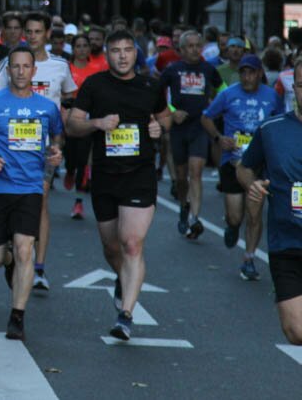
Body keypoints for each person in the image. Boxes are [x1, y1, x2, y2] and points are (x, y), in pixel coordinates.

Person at [65, 31, 170, 340]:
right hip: (106, 176)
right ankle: (122, 279)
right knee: (112, 247)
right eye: (115, 51)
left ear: (136, 54)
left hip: (139, 174)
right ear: (107, 54)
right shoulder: (95, 86)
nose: (122, 56)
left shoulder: (151, 85)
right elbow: (72, 124)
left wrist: (158, 127)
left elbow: (167, 118)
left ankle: (125, 315)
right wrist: (96, 123)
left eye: (127, 50)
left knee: (132, 243)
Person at [0, 47, 64, 341]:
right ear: (8, 70)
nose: (21, 71)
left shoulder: (47, 108)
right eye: (16, 67)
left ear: (34, 71)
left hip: (30, 188)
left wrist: (54, 156)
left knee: (26, 248)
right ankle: (8, 261)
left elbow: (56, 139)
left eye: (26, 66)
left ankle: (17, 317)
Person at [0, 12, 76, 293]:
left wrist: (60, 139)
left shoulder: (60, 66)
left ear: (48, 33)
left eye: (38, 31)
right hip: (11, 148)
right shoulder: (10, 63)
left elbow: (69, 101)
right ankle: (14, 249)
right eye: (28, 31)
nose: (32, 36)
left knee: (41, 201)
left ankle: (38, 267)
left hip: (43, 149)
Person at [238, 60, 302, 345]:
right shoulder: (272, 129)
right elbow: (245, 167)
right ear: (294, 88)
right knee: (295, 331)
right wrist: (251, 184)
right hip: (286, 242)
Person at [201, 54, 281, 279]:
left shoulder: (272, 96)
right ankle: (233, 227)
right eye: (243, 72)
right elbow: (206, 118)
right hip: (232, 161)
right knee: (236, 216)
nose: (247, 77)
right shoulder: (228, 94)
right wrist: (218, 138)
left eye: (251, 72)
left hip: (259, 164)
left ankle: (249, 258)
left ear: (259, 74)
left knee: (254, 213)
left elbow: (282, 122)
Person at [160, 30, 223, 239]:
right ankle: (184, 205)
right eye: (190, 46)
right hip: (179, 128)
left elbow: (223, 91)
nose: (195, 49)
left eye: (198, 45)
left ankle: (195, 218)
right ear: (182, 49)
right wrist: (172, 111)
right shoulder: (172, 70)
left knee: (196, 171)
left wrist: (213, 108)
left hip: (199, 127)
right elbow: (157, 95)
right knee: (181, 176)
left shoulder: (208, 69)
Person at [64, 33, 108, 218]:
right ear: (73, 49)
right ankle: (69, 171)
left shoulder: (98, 67)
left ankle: (78, 203)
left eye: (85, 46)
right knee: (71, 158)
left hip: (88, 119)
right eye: (78, 46)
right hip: (68, 115)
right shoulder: (65, 68)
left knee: (84, 161)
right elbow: (60, 91)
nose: (82, 49)